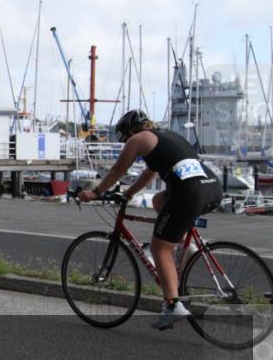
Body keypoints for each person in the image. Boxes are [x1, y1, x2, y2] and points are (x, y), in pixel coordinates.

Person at [78, 110, 223, 330]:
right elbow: (149, 174)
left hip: (188, 192)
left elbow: (118, 169)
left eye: (125, 137)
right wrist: (129, 193)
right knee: (158, 200)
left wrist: (96, 192)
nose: (127, 142)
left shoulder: (139, 139)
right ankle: (187, 245)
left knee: (159, 248)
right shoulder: (165, 136)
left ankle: (172, 305)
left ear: (130, 130)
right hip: (211, 188)